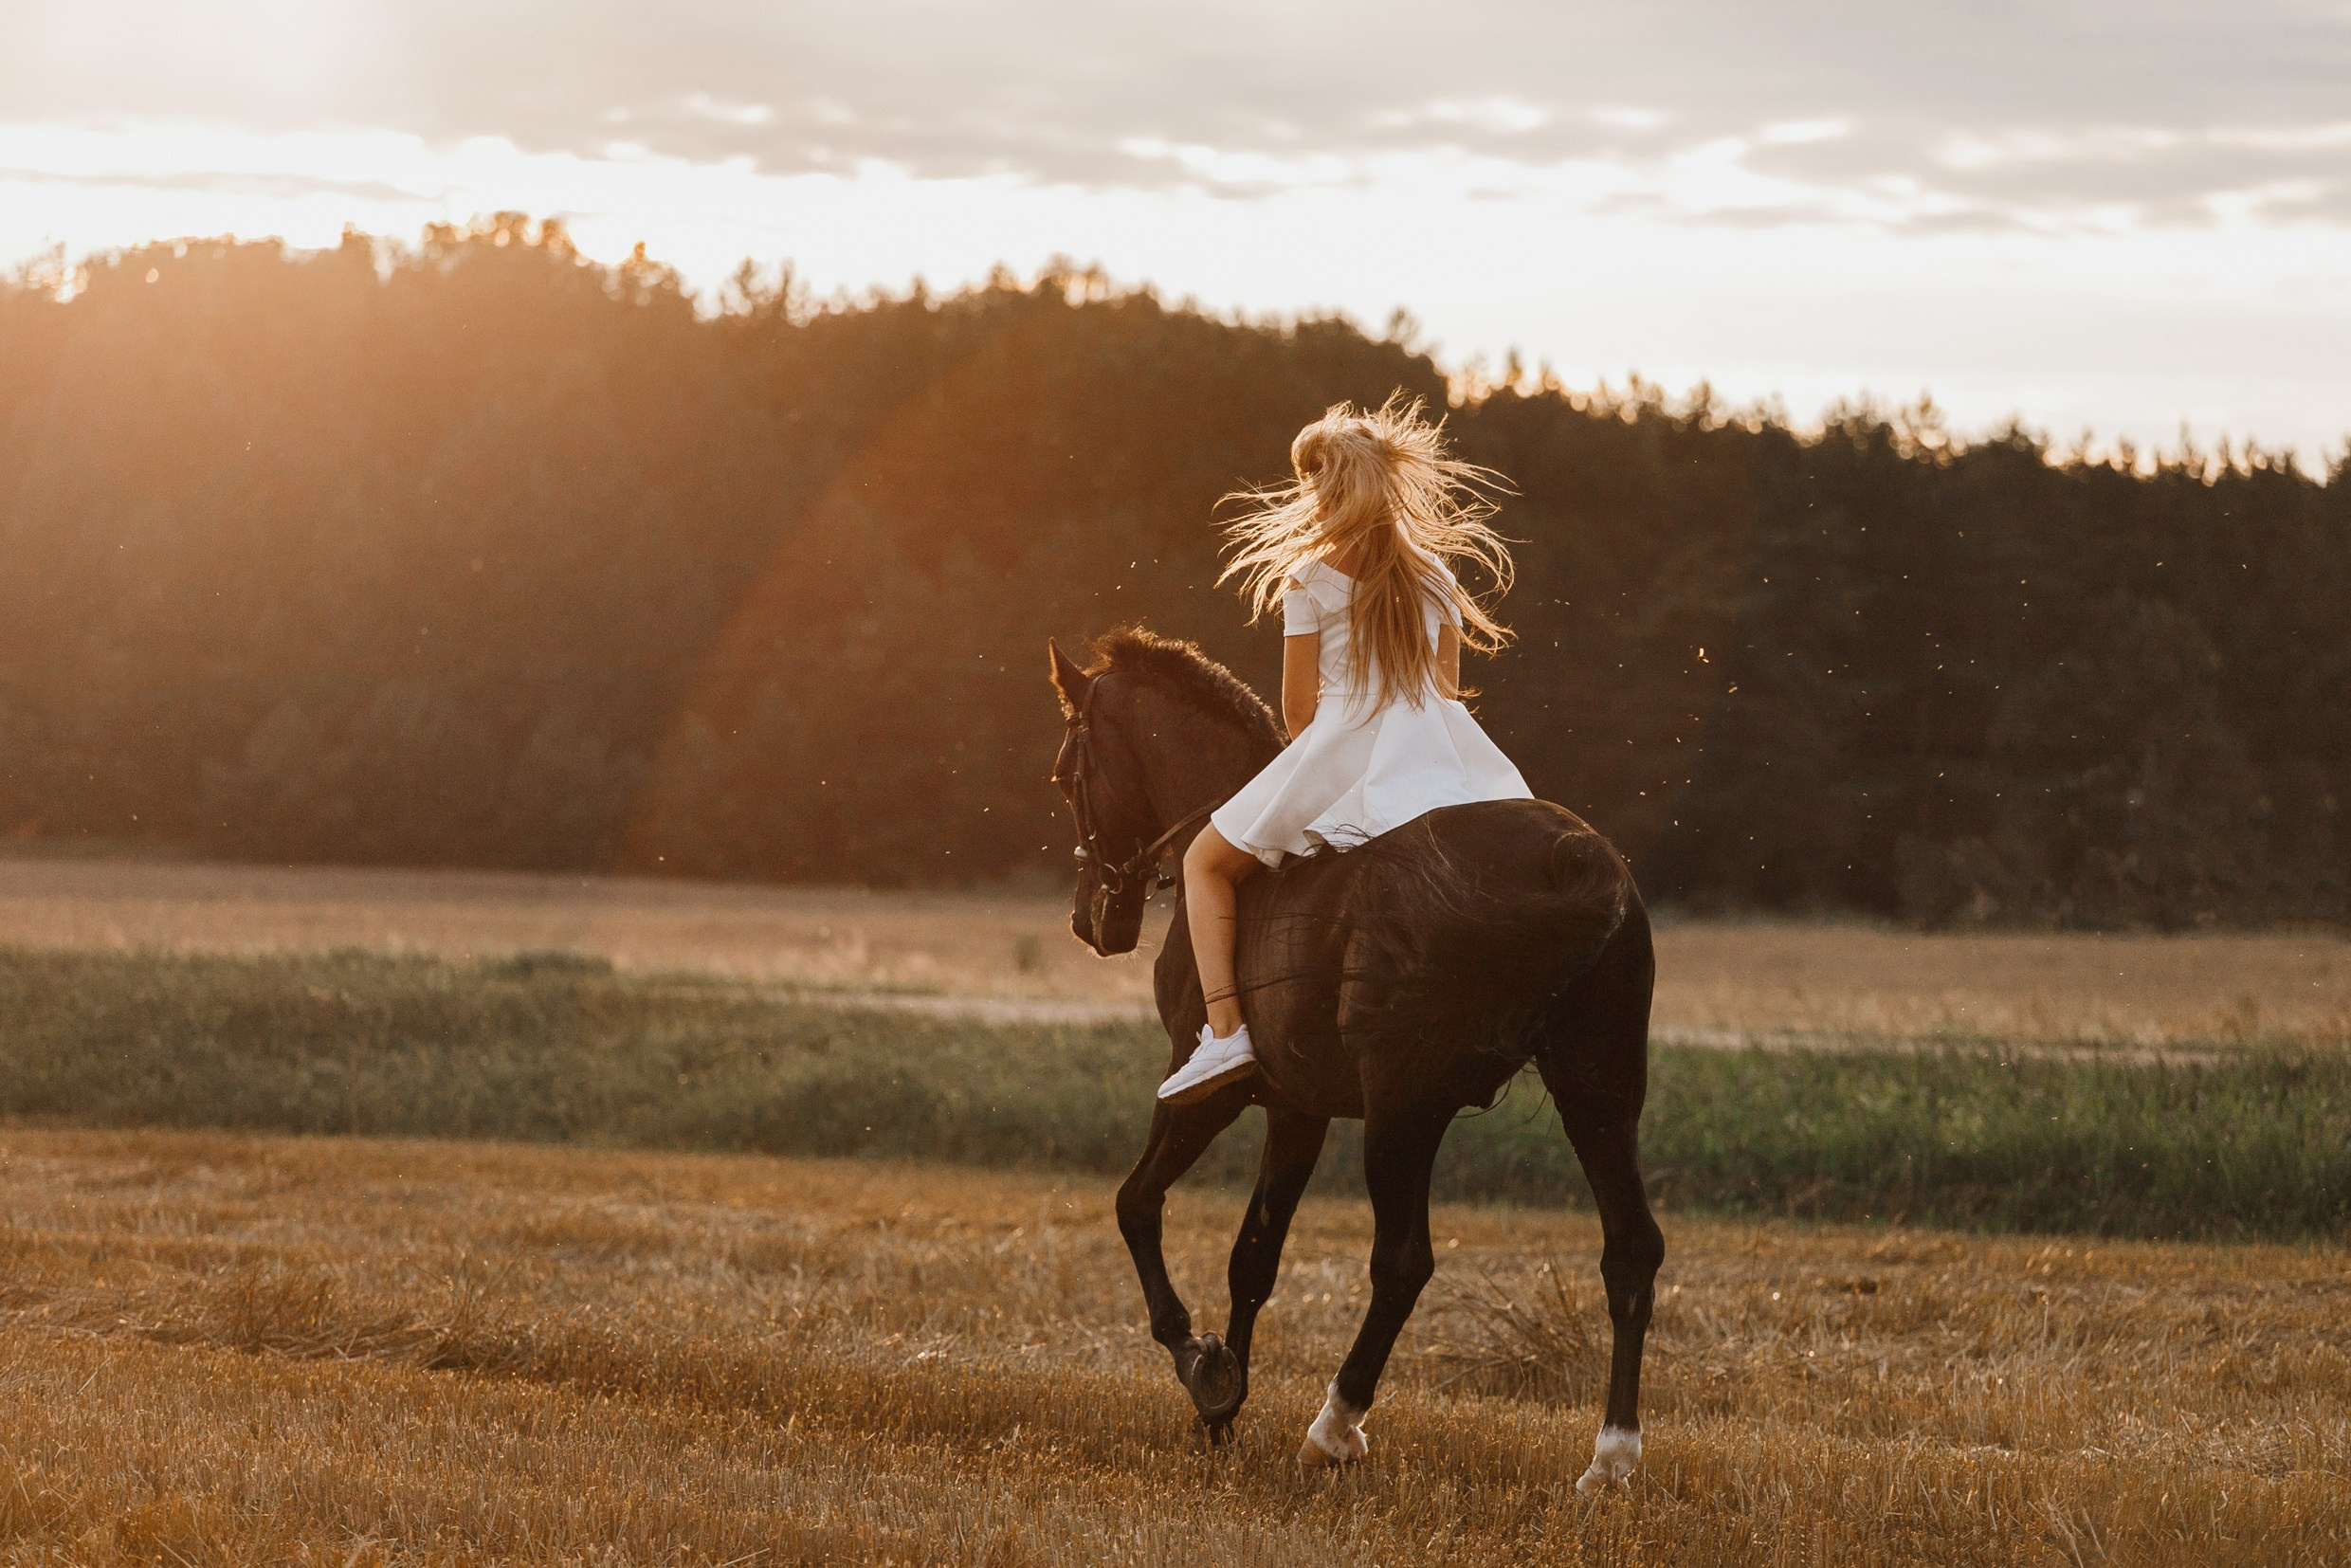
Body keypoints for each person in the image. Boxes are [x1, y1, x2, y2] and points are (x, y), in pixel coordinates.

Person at [1157, 396, 1533, 1103]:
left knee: (1203, 861)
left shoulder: (1310, 578)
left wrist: (1318, 779)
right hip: (1436, 747)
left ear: (1329, 489)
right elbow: (1446, 686)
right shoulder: (1439, 577)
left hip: (1340, 743)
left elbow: (1299, 710)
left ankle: (1226, 1033)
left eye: (1312, 484)